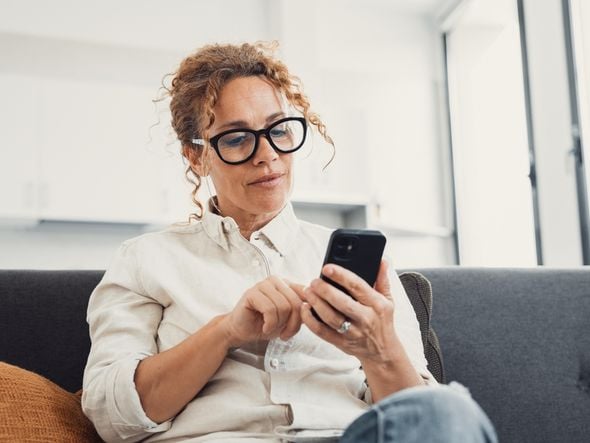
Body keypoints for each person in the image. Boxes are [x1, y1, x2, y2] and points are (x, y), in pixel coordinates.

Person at [82, 41, 497, 443]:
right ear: (197, 156)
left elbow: (422, 424)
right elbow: (113, 419)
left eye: (278, 129)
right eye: (236, 137)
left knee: (447, 409)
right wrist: (225, 331)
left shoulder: (363, 264)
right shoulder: (145, 260)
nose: (267, 154)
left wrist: (378, 349)